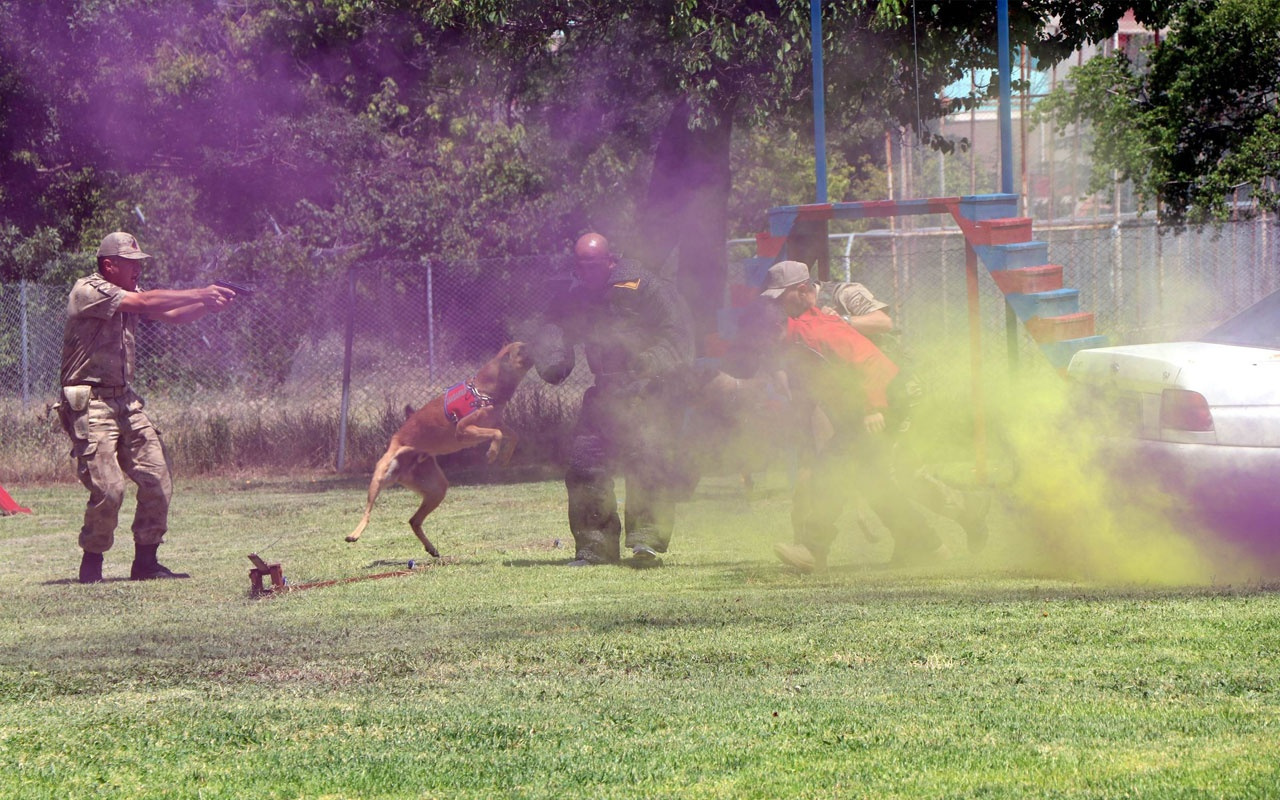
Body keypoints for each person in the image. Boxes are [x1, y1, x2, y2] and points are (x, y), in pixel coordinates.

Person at [58, 232, 238, 583]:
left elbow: (170, 313)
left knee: (157, 478)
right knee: (109, 490)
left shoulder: (129, 294)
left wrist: (206, 305)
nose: (138, 269)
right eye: (132, 264)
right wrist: (201, 291)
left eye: (140, 263)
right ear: (109, 265)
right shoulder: (88, 291)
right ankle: (92, 564)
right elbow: (145, 303)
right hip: (90, 403)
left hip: (124, 399)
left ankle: (146, 564)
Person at [753, 260, 952, 572]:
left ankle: (812, 549)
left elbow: (870, 366)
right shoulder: (802, 329)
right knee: (873, 481)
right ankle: (927, 546)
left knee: (831, 470)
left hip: (886, 398)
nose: (777, 305)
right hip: (869, 402)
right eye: (774, 300)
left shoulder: (815, 332)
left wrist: (872, 409)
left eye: (783, 297)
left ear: (804, 292)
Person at [533, 232, 696, 567]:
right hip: (605, 393)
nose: (585, 271)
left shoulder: (644, 286)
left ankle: (646, 544)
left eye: (592, 264)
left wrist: (650, 361)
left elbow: (678, 332)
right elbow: (555, 326)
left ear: (610, 260)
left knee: (648, 462)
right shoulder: (576, 296)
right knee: (584, 464)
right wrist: (554, 359)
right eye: (580, 265)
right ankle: (595, 548)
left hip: (647, 391)